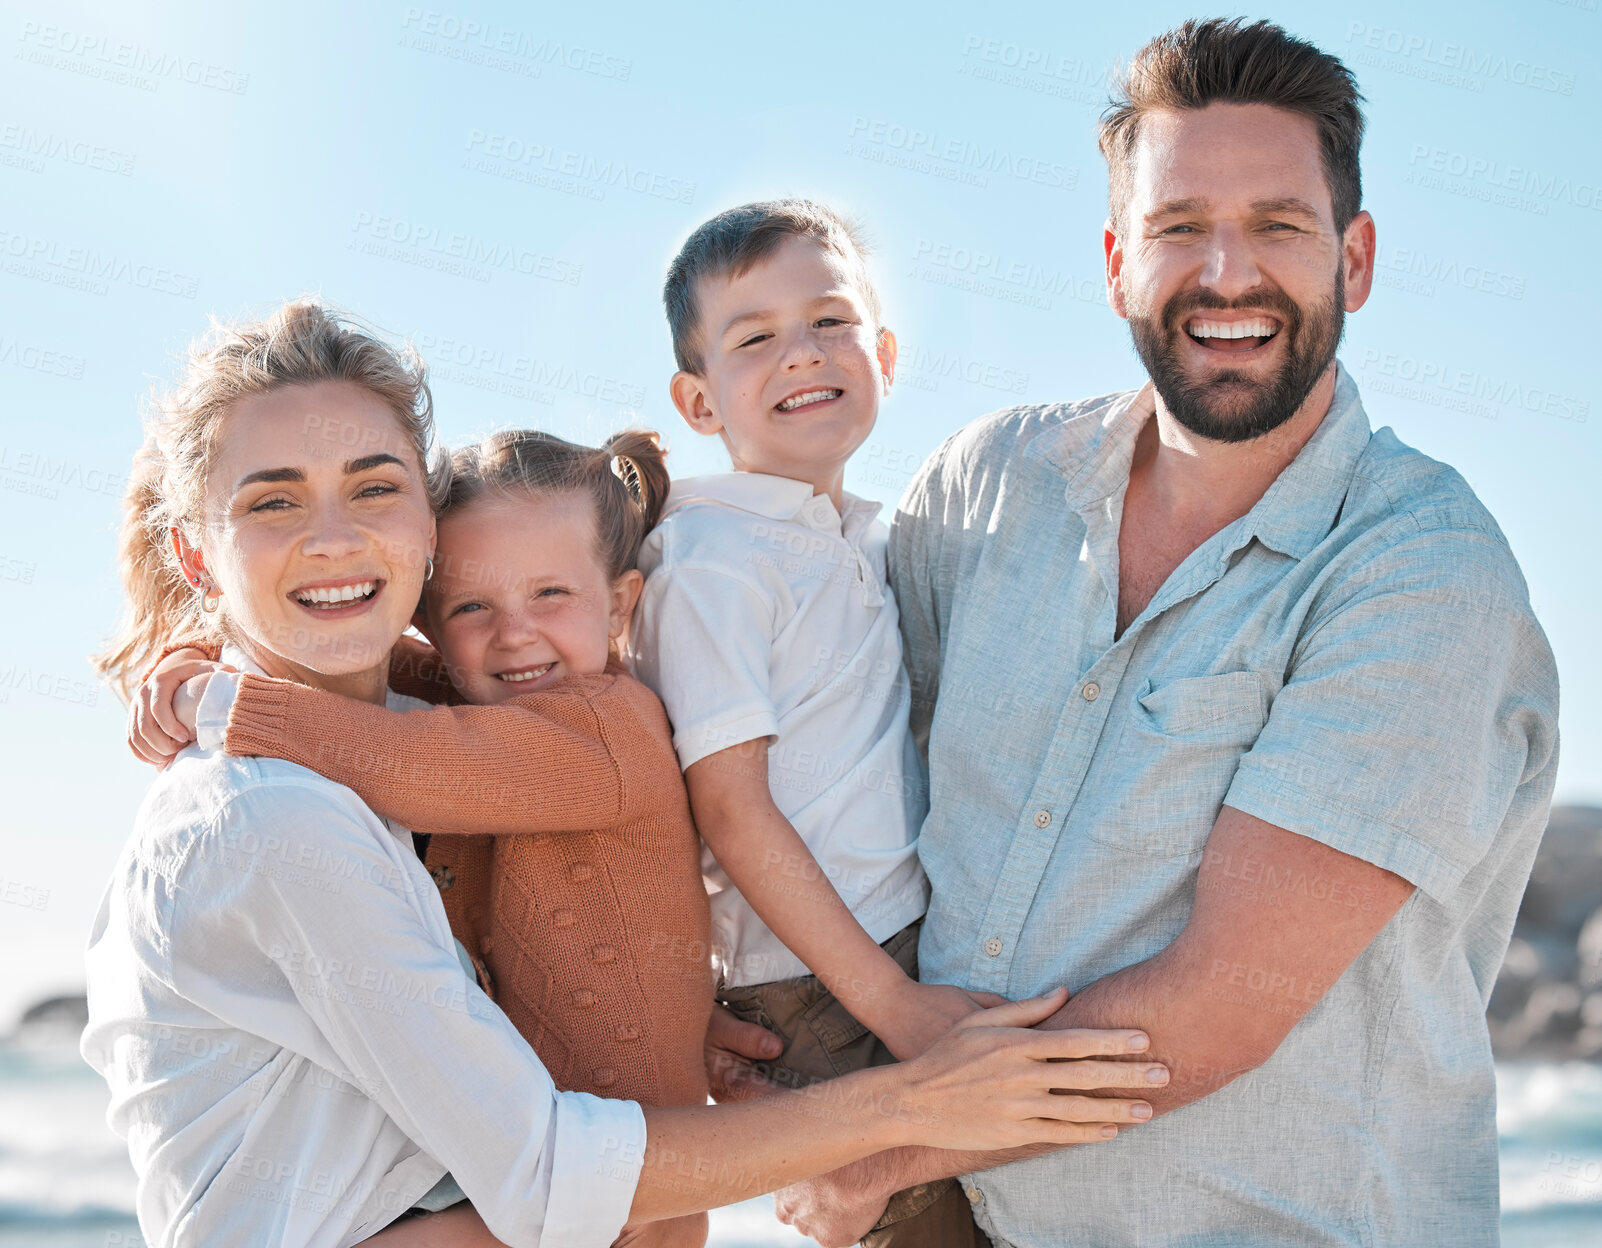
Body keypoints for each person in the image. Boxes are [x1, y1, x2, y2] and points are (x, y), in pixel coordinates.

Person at [84, 297, 1164, 1248]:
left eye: (374, 487)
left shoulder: (425, 740)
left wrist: (647, 992)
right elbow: (552, 1175)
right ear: (194, 555)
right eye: (273, 502)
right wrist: (918, 1102)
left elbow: (435, 747)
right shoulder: (268, 818)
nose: (333, 536)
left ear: (423, 527)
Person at [770, 19, 1561, 1248]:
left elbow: (1215, 1007)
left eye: (1280, 226)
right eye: (1180, 226)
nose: (1227, 274)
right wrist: (725, 994)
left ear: (1355, 259)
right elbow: (833, 757)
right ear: (1116, 261)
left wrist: (875, 1144)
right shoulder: (988, 485)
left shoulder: (1421, 569)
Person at [127, 425, 716, 1248]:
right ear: (433, 624)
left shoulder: (606, 728)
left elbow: (400, 757)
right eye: (472, 607)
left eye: (552, 595)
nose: (514, 635)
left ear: (619, 604)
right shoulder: (497, 699)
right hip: (545, 1175)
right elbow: (375, 661)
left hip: (635, 1183)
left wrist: (219, 703)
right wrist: (211, 639)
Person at [629, 200, 992, 1246]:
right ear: (699, 401)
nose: (802, 354)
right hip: (820, 984)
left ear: (883, 351)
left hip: (900, 949)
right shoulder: (711, 564)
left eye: (831, 322)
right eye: (755, 338)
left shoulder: (865, 538)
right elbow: (733, 815)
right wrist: (894, 1005)